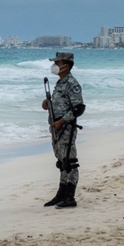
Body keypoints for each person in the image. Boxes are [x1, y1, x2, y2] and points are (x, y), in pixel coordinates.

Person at [42, 52, 85, 209]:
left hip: (66, 127)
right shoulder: (60, 83)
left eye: (57, 63)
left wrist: (62, 121)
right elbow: (62, 104)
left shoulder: (72, 84)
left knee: (70, 162)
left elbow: (78, 108)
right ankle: (61, 193)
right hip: (56, 128)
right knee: (62, 162)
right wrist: (48, 104)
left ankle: (70, 197)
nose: (54, 66)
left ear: (65, 65)